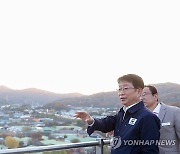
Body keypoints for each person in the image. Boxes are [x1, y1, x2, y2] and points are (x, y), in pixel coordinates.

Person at [74, 74, 160, 154]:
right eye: (119, 89)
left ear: (139, 91)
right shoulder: (123, 113)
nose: (121, 93)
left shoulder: (147, 117)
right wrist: (91, 120)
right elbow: (107, 124)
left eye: (125, 88)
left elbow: (150, 150)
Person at [142, 85, 180, 154]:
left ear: (155, 96)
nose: (141, 98)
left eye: (144, 94)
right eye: (139, 95)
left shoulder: (174, 112)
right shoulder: (139, 116)